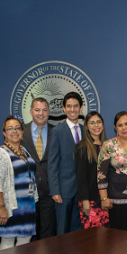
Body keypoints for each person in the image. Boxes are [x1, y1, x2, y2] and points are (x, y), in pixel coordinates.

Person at [0, 116, 38, 250]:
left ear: (22, 132)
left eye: (17, 128)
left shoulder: (24, 151)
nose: (14, 131)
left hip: (27, 205)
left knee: (25, 240)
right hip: (10, 206)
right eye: (10, 128)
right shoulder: (0, 154)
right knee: (8, 241)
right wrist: (1, 208)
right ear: (4, 133)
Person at [98, 111, 127, 232]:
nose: (124, 128)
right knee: (119, 238)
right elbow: (101, 174)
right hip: (116, 201)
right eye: (120, 125)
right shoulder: (109, 145)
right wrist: (104, 198)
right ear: (115, 128)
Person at [48, 92, 83, 235]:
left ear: (81, 109)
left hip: (81, 190)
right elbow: (52, 163)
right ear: (63, 108)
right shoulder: (57, 131)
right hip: (63, 191)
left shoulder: (85, 130)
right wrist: (55, 190)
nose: (72, 109)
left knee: (78, 230)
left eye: (75, 106)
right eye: (69, 106)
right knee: (62, 230)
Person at [21, 97, 56, 239]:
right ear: (30, 111)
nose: (41, 113)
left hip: (49, 191)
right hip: (26, 191)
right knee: (28, 233)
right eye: (37, 110)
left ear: (49, 112)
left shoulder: (56, 131)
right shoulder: (20, 131)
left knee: (48, 233)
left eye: (44, 110)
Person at [74, 111, 109, 229]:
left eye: (98, 122)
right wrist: (85, 200)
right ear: (87, 126)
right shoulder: (82, 147)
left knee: (108, 237)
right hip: (91, 200)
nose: (96, 125)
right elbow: (81, 176)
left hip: (107, 199)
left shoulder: (108, 145)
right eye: (92, 123)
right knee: (93, 239)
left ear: (103, 125)